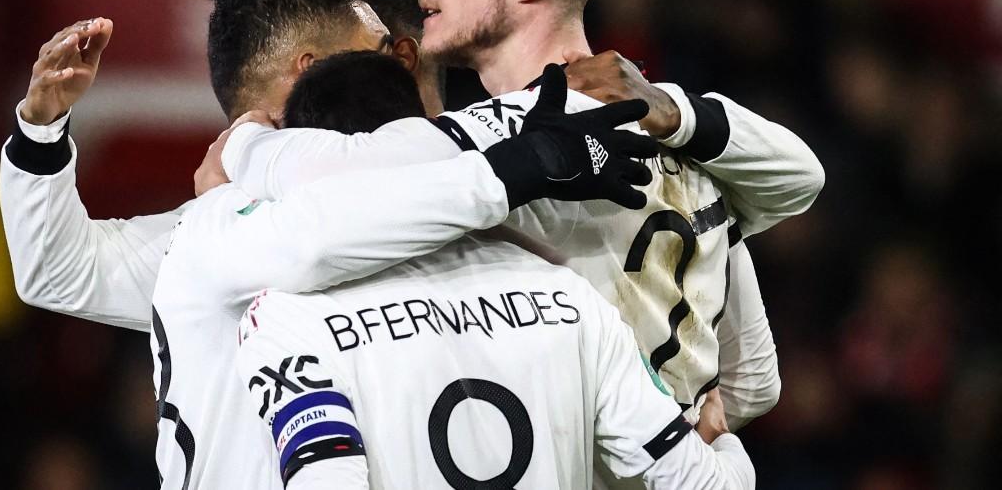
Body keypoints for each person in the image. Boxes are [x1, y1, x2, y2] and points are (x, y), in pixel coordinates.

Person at [212, 0, 823, 433]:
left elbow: (318, 183)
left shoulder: (502, 137)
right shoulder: (677, 139)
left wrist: (244, 137)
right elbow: (754, 383)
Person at [235, 51, 755, 488]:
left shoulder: (284, 320)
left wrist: (242, 145)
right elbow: (700, 483)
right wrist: (725, 441)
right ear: (426, 123)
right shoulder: (569, 298)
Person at [148, 58, 658, 488]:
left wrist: (246, 143)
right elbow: (339, 201)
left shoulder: (287, 283)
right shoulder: (223, 231)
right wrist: (522, 163)